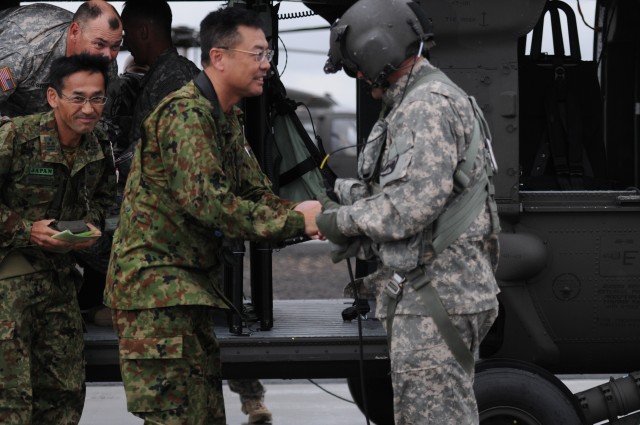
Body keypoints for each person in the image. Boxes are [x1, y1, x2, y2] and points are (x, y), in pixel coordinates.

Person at [104, 6, 321, 424]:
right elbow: (211, 204)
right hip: (156, 296)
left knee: (205, 417)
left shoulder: (224, 115)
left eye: (268, 53)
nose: (266, 65)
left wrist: (310, 213)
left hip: (187, 291)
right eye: (257, 53)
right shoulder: (185, 114)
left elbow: (253, 191)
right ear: (219, 57)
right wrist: (298, 221)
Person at [319, 0, 501, 424]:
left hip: (437, 299)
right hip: (439, 296)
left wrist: (334, 221)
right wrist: (339, 193)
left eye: (355, 66)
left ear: (376, 53)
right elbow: (402, 187)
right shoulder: (425, 99)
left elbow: (407, 209)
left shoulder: (425, 107)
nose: (360, 78)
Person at [0, 54, 117, 424]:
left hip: (60, 285)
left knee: (63, 399)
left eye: (97, 98)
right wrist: (24, 229)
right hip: (9, 288)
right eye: (78, 97)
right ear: (53, 97)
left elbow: (101, 199)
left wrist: (89, 229)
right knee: (11, 403)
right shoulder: (16, 137)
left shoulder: (98, 144)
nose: (89, 108)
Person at [0, 1, 122, 118]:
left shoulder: (105, 60)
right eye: (99, 44)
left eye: (115, 46)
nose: (108, 56)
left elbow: (102, 120)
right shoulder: (21, 54)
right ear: (74, 32)